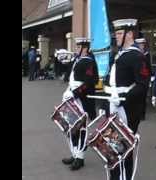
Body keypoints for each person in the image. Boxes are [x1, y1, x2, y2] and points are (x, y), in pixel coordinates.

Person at [104, 18, 150, 180]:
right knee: (113, 148)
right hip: (113, 107)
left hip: (127, 110)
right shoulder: (120, 55)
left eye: (119, 33)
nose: (116, 36)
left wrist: (123, 99)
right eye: (115, 33)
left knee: (125, 150)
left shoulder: (137, 56)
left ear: (129, 34)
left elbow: (143, 85)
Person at [61, 37, 99, 170]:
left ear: (86, 49)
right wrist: (68, 91)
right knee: (72, 128)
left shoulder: (89, 62)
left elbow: (89, 83)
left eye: (79, 47)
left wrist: (75, 93)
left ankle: (80, 157)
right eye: (76, 47)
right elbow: (70, 79)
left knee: (81, 129)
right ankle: (74, 153)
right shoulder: (78, 60)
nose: (76, 49)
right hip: (72, 98)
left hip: (82, 100)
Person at [135, 38, 152, 121]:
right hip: (137, 79)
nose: (141, 46)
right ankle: (137, 114)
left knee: (143, 98)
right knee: (137, 98)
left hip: (145, 79)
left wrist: (149, 78)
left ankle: (142, 115)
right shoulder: (136, 54)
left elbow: (148, 67)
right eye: (139, 45)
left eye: (142, 44)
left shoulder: (146, 55)